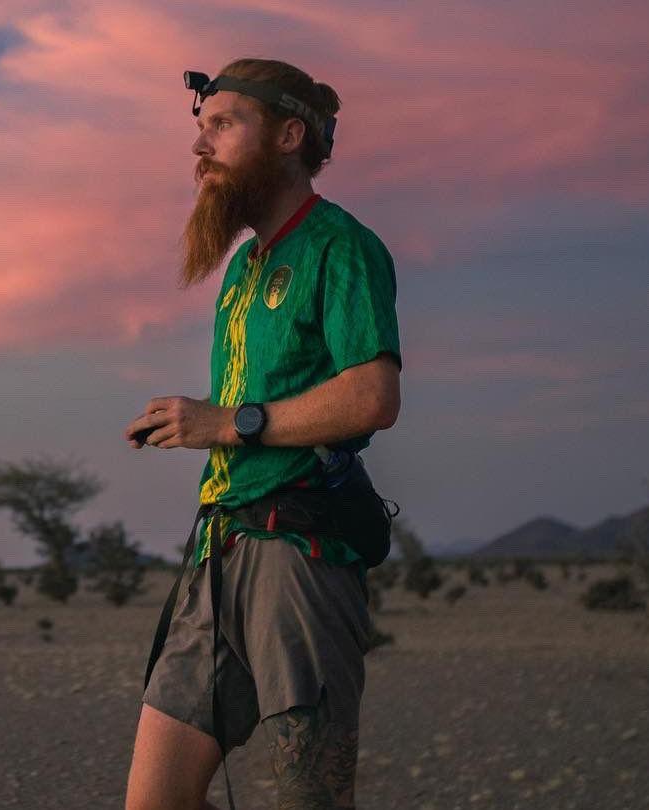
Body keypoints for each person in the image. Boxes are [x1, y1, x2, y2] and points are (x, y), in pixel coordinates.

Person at [121, 57, 402, 810]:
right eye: (199, 128)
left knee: (311, 796)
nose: (200, 146)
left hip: (299, 551)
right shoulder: (244, 265)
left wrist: (227, 423)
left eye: (222, 125)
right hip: (220, 548)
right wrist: (198, 426)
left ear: (287, 135)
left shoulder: (340, 245)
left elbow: (374, 396)